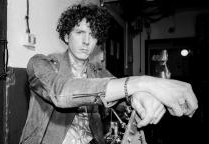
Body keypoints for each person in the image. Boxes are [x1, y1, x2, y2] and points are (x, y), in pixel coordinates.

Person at [19, 3, 198, 144]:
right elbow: (61, 92)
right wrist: (143, 83)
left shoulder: (98, 71)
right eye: (80, 32)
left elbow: (120, 92)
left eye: (93, 34)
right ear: (67, 36)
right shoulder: (41, 63)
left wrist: (140, 95)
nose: (87, 40)